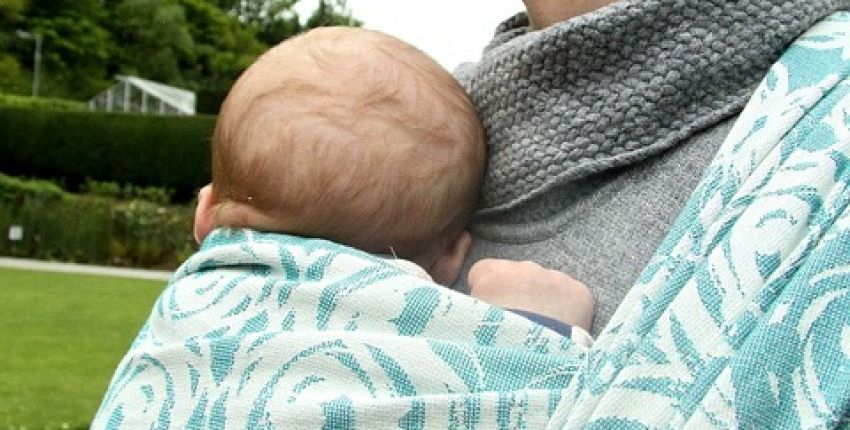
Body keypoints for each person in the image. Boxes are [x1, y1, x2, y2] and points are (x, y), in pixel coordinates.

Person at [91, 26, 595, 429]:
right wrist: (537, 328)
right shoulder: (436, 340)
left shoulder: (186, 312)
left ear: (205, 214)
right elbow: (520, 404)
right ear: (451, 258)